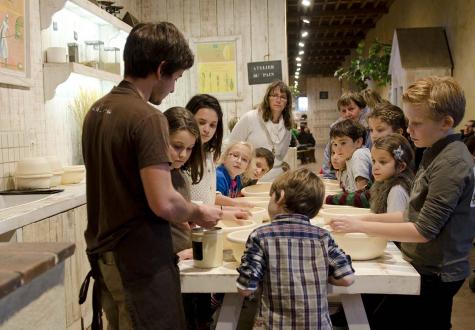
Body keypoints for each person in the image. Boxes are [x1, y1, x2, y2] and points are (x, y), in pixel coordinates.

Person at [81, 22, 222, 330]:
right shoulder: (147, 118)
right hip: (137, 261)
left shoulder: (97, 110)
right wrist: (200, 211)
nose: (173, 88)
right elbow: (164, 202)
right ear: (161, 69)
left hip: (105, 255)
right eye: (176, 77)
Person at [329, 76, 475, 330]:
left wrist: (360, 226)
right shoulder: (435, 151)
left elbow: (422, 230)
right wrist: (361, 220)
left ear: (446, 122)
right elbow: (411, 213)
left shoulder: (451, 163)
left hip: (438, 272)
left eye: (417, 123)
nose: (409, 130)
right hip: (428, 266)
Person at [236, 168, 355, 329]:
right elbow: (347, 278)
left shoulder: (261, 236)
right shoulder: (323, 237)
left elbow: (245, 288)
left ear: (280, 197)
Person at [185, 94, 252, 213]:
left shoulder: (208, 153)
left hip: (204, 223)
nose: (207, 129)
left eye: (212, 125)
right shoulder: (183, 155)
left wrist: (227, 212)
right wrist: (232, 206)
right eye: (201, 122)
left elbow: (209, 198)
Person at [228, 80, 294, 181]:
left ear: (287, 102)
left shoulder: (287, 126)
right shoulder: (250, 117)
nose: (278, 99)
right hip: (250, 177)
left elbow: (281, 155)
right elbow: (231, 146)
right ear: (267, 98)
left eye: (283, 97)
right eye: (274, 95)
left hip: (276, 178)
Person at [322, 91, 371, 179]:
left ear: (361, 109)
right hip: (341, 178)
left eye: (351, 109)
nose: (347, 114)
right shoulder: (336, 130)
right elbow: (328, 155)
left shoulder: (369, 130)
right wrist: (329, 178)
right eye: (343, 111)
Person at [369, 134, 414, 214]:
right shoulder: (383, 183)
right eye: (374, 161)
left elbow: (395, 222)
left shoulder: (397, 191)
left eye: (382, 162)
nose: (375, 167)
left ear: (401, 166)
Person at [330, 119, 372, 192]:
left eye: (343, 143)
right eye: (335, 144)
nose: (337, 149)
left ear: (358, 142)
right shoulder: (349, 157)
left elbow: (362, 193)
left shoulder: (359, 155)